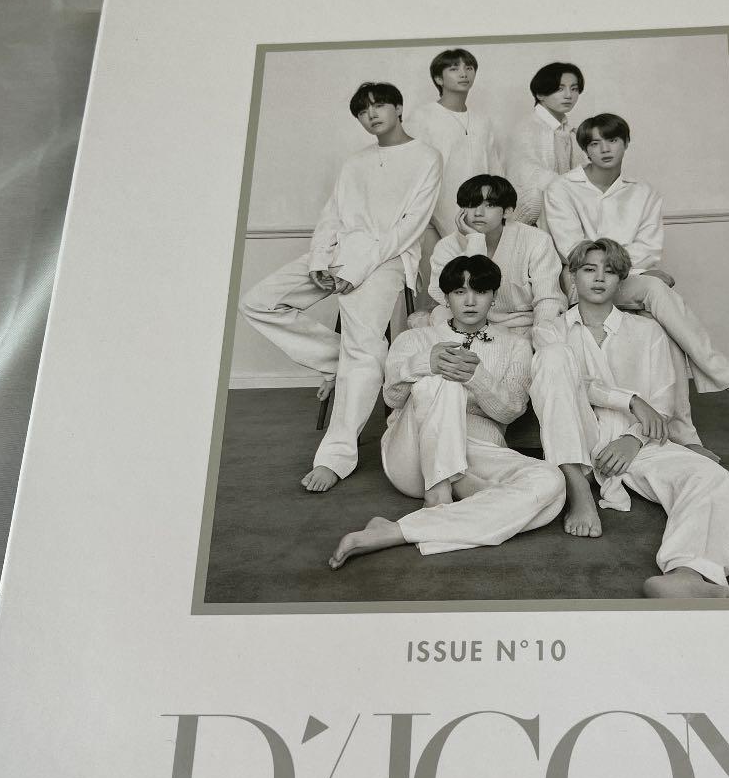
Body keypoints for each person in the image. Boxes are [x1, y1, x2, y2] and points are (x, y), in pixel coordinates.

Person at [239, 82, 441, 492]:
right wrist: (319, 259)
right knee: (257, 301)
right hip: (339, 253)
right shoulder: (355, 162)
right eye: (363, 110)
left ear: (399, 107)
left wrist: (359, 268)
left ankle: (336, 457)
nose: (372, 114)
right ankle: (341, 361)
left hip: (385, 258)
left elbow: (409, 227)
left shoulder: (426, 157)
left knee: (363, 349)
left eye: (379, 105)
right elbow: (332, 216)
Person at [530, 238, 729, 598]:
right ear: (572, 277)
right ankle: (578, 489)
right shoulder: (551, 329)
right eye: (589, 269)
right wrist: (629, 399)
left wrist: (632, 439)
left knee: (710, 476)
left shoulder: (648, 332)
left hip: (635, 440)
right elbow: (571, 383)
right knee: (552, 359)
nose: (599, 278)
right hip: (577, 437)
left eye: (610, 271)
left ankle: (689, 574)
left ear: (621, 281)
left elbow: (662, 401)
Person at [329, 255, 565, 569]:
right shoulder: (414, 338)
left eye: (480, 291)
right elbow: (392, 397)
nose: (470, 301)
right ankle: (437, 495)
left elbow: (511, 411)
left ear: (494, 296)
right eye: (459, 291)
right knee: (440, 379)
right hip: (412, 458)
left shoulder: (515, 345)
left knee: (551, 482)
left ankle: (400, 530)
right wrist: (425, 364)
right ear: (446, 297)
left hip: (474, 459)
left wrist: (477, 377)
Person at [542, 112, 729, 436]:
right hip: (579, 281)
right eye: (595, 143)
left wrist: (636, 271)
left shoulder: (644, 193)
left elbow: (649, 247)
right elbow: (575, 251)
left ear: (626, 142)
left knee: (663, 324)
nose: (605, 149)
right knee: (655, 288)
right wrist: (640, 271)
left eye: (612, 140)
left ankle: (684, 434)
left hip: (627, 280)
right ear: (585, 149)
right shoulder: (561, 188)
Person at [418, 174, 565, 345]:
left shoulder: (536, 240)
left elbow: (548, 299)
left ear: (507, 211)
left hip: (523, 327)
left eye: (489, 205)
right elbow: (442, 295)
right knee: (440, 315)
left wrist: (541, 340)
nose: (478, 213)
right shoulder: (447, 246)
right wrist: (475, 242)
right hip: (470, 326)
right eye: (471, 205)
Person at [403, 48, 504, 237]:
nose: (464, 74)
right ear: (438, 79)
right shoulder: (422, 117)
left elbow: (494, 169)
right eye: (454, 69)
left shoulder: (482, 121)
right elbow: (410, 171)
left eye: (469, 68)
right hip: (435, 212)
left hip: (480, 210)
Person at [504, 62, 586, 226]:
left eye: (574, 89)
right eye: (560, 89)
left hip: (565, 205)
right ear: (540, 94)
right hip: (533, 215)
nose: (568, 95)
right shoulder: (527, 128)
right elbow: (526, 176)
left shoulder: (568, 130)